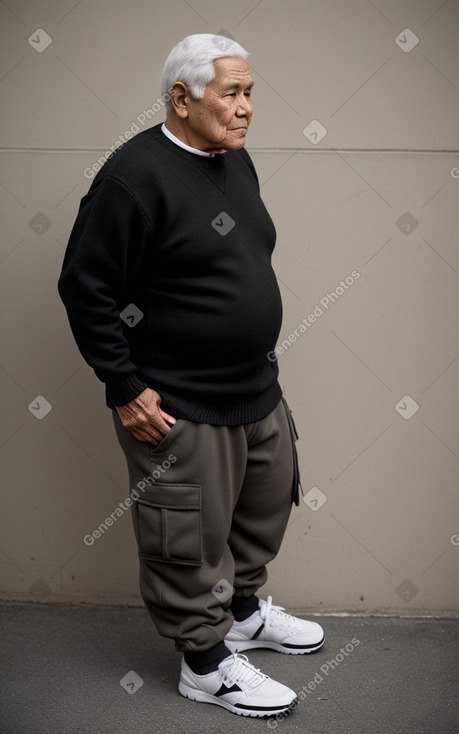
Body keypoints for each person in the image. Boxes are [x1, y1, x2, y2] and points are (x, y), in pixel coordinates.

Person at [58, 33, 325, 719]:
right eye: (231, 93)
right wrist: (123, 386)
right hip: (177, 402)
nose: (246, 108)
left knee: (257, 516)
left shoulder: (233, 162)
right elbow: (84, 287)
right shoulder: (132, 176)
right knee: (188, 540)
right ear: (182, 97)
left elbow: (233, 268)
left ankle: (241, 616)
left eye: (249, 92)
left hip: (254, 389)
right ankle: (203, 664)